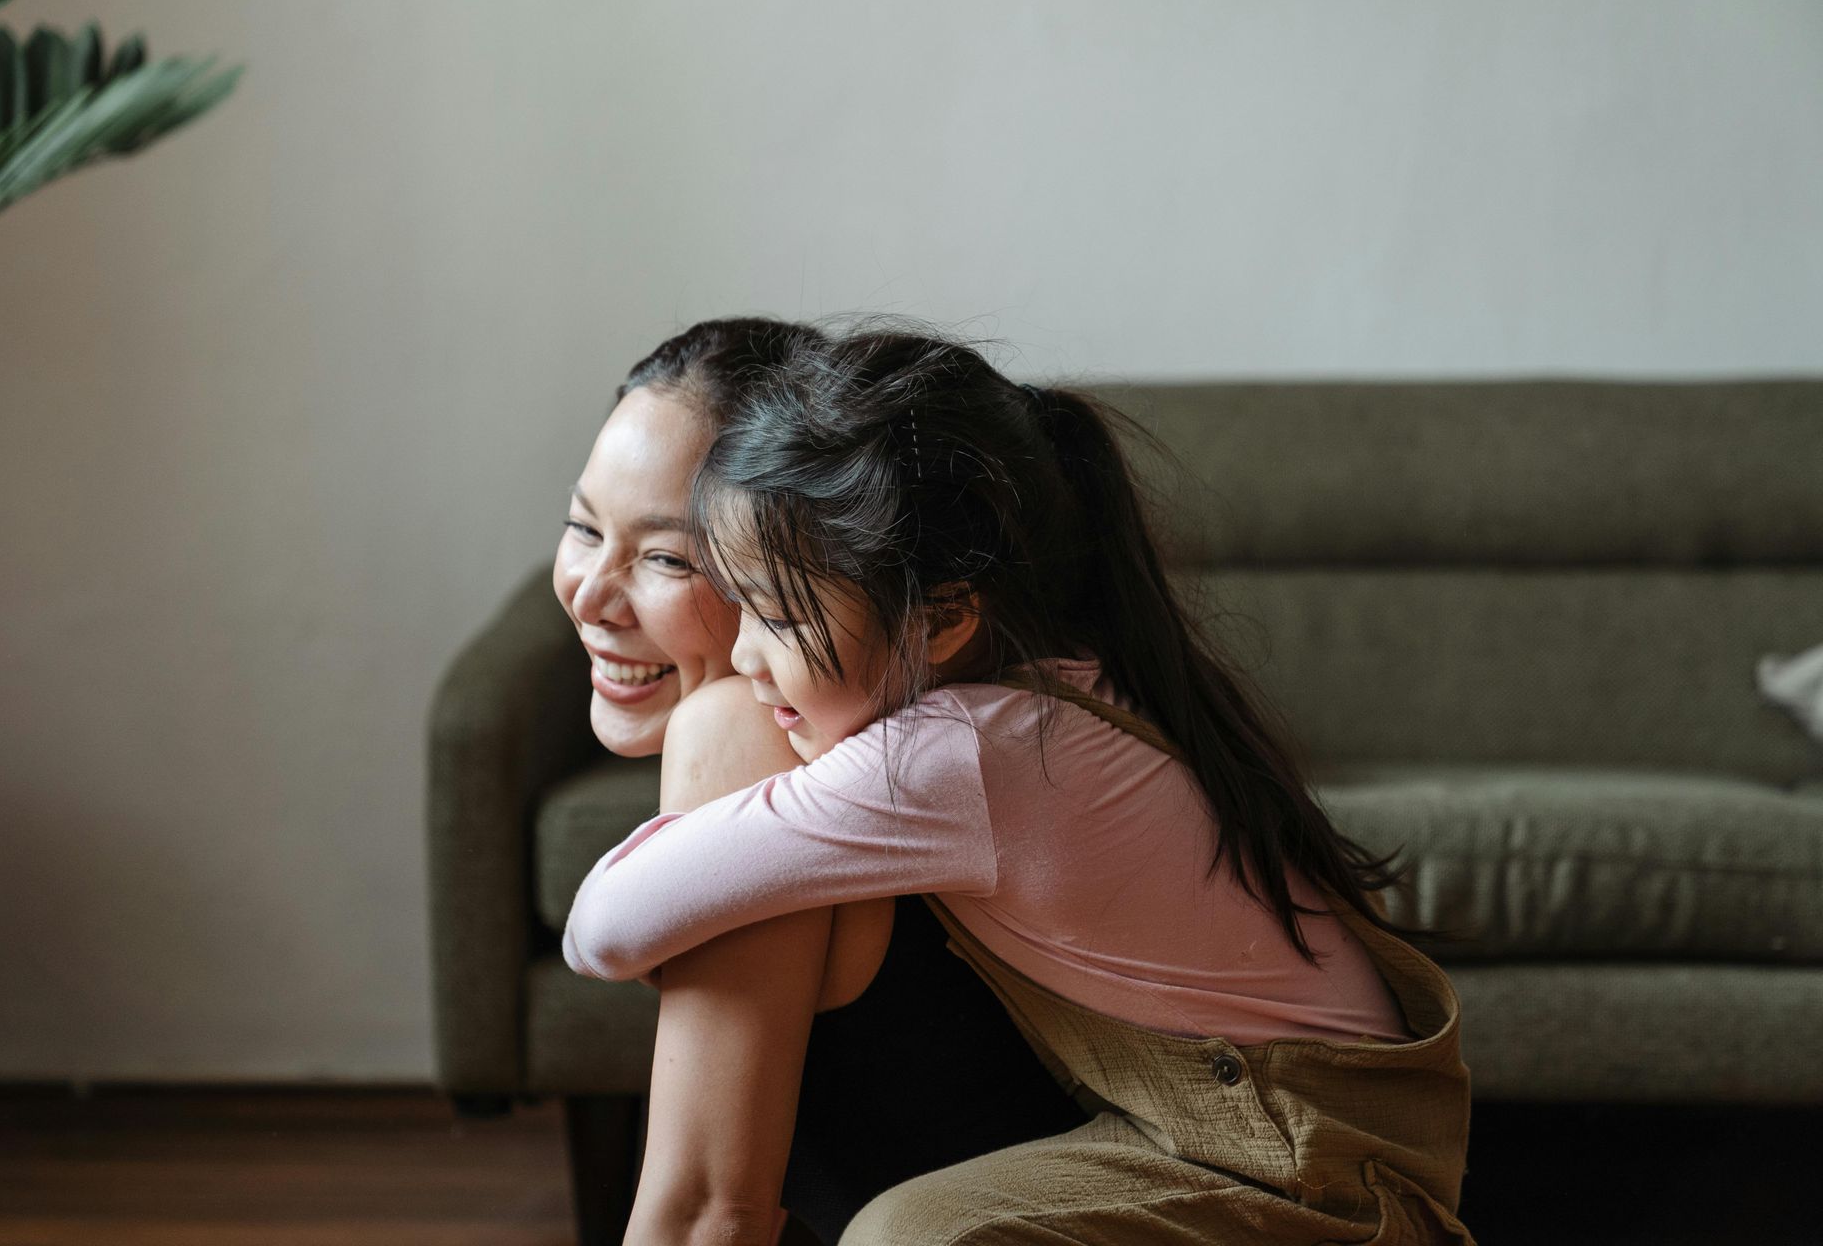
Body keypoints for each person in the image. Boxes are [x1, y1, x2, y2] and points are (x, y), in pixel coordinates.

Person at [563, 326, 1476, 1244]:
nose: (749, 656)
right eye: (581, 525)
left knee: (911, 1236)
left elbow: (603, 926)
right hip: (1277, 1131)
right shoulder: (1037, 688)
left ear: (948, 615)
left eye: (770, 608)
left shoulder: (958, 754)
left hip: (1307, 1161)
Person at [554, 318, 1098, 1246]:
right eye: (582, 527)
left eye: (667, 557)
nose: (590, 596)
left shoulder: (739, 731)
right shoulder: (931, 713)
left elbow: (707, 1213)